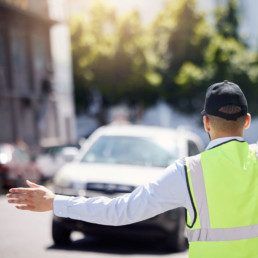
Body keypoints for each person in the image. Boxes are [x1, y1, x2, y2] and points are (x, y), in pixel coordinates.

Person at [7, 81, 258, 258]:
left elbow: (120, 211)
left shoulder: (188, 172)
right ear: (246, 121)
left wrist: (56, 202)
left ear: (206, 122)